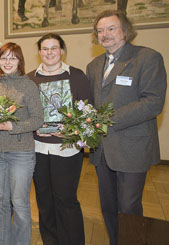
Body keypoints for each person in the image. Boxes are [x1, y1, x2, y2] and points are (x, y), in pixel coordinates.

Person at [86, 10, 167, 245]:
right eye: (100, 30)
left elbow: (153, 102)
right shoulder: (93, 66)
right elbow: (90, 104)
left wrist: (107, 119)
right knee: (108, 207)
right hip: (103, 150)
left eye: (111, 28)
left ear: (125, 30)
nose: (104, 34)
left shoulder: (147, 58)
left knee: (129, 207)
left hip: (132, 147)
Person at [27, 33, 90, 245]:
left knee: (66, 200)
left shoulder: (77, 76)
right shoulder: (30, 79)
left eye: (54, 48)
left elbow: (88, 114)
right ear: (39, 52)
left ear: (62, 50)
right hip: (37, 150)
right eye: (45, 48)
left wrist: (71, 131)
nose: (49, 52)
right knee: (44, 201)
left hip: (67, 150)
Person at [0, 42, 43, 245]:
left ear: (20, 61)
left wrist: (11, 126)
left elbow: (37, 120)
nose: (7, 62)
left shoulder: (29, 86)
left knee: (19, 203)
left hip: (21, 153)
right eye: (3, 58)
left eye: (12, 57)